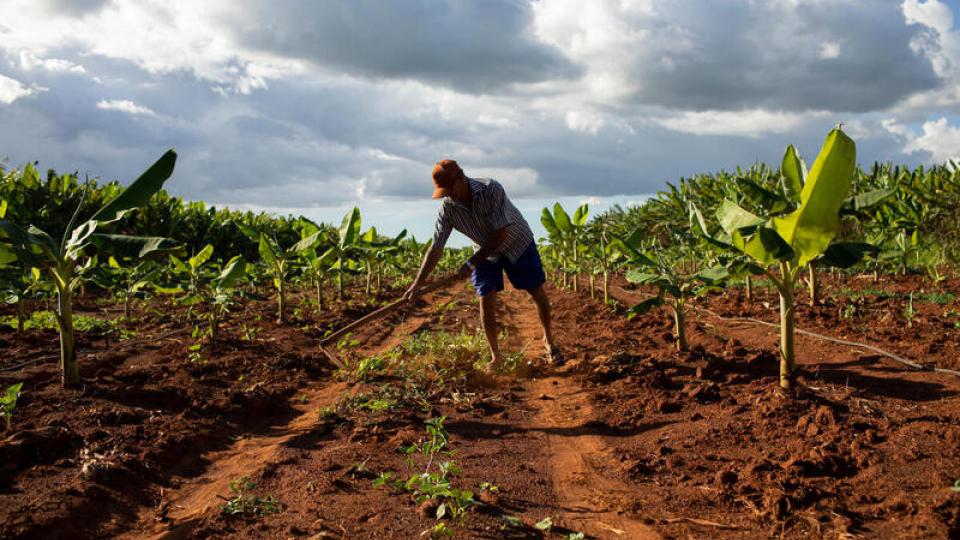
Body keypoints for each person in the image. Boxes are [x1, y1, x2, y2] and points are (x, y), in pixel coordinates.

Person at [402, 159, 561, 368]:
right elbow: (436, 247)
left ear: (461, 178)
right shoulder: (448, 209)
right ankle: (496, 357)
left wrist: (470, 264)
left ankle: (549, 342)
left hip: (516, 242)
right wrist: (417, 284)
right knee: (485, 296)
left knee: (536, 292)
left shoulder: (490, 189)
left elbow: (501, 234)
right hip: (485, 253)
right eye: (444, 192)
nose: (448, 195)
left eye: (449, 189)